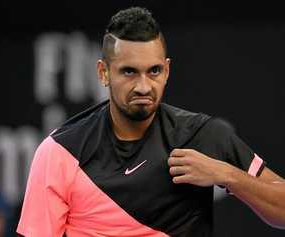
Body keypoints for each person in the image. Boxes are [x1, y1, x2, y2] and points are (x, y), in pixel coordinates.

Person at [16, 6, 285, 237]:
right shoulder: (60, 152)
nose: (144, 86)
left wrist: (228, 175)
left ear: (166, 70)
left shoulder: (202, 136)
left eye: (153, 71)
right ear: (103, 73)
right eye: (129, 72)